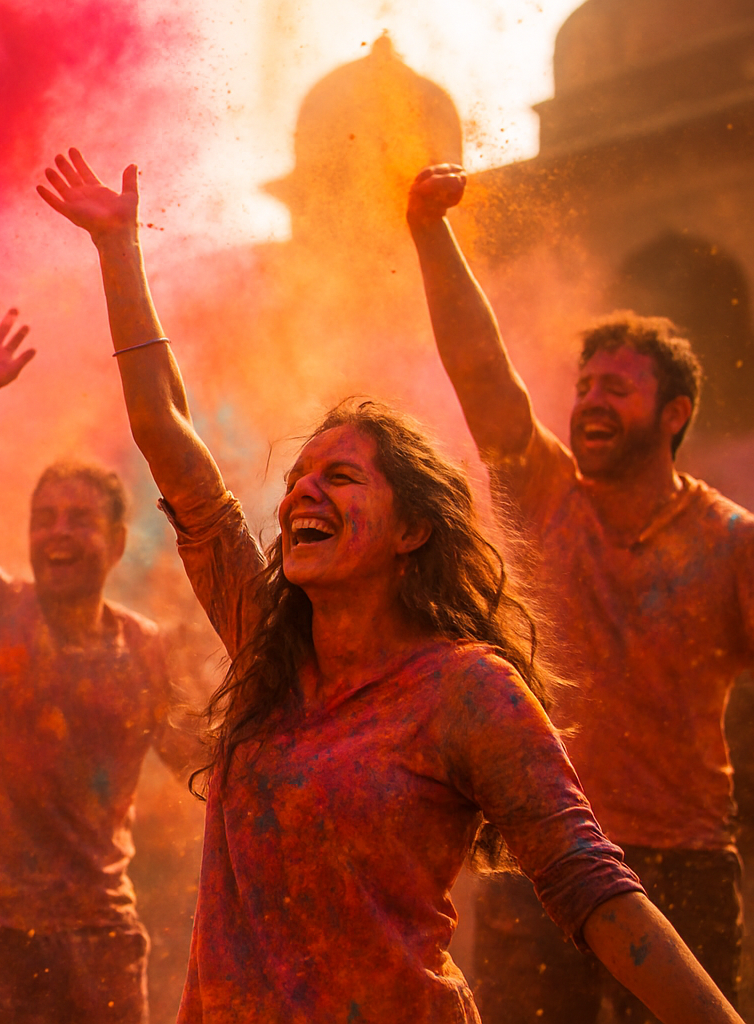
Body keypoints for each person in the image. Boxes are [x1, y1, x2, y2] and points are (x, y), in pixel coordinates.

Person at [38, 147, 745, 1023]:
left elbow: (590, 884)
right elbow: (166, 432)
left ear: (414, 529)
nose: (304, 491)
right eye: (300, 476)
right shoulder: (266, 638)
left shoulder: (466, 691)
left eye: (342, 478)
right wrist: (117, 251)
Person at [408, 163, 754, 1022]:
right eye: (585, 386)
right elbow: (484, 375)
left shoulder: (732, 543)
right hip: (543, 850)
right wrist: (429, 233)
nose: (590, 402)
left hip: (682, 866)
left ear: (674, 416)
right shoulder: (551, 496)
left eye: (618, 388)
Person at [0, 310, 201, 1024]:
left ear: (117, 542)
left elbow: (203, 764)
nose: (58, 533)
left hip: (98, 944)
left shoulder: (147, 650)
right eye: (45, 518)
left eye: (79, 519)